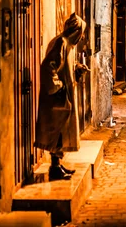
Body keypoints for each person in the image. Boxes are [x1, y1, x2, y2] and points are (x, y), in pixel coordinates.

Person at [35, 13, 89, 181]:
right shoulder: (61, 43)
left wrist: (77, 68)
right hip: (57, 97)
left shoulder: (67, 45)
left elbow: (63, 66)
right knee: (57, 132)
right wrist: (58, 87)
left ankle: (57, 165)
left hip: (62, 96)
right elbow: (49, 67)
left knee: (62, 132)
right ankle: (55, 168)